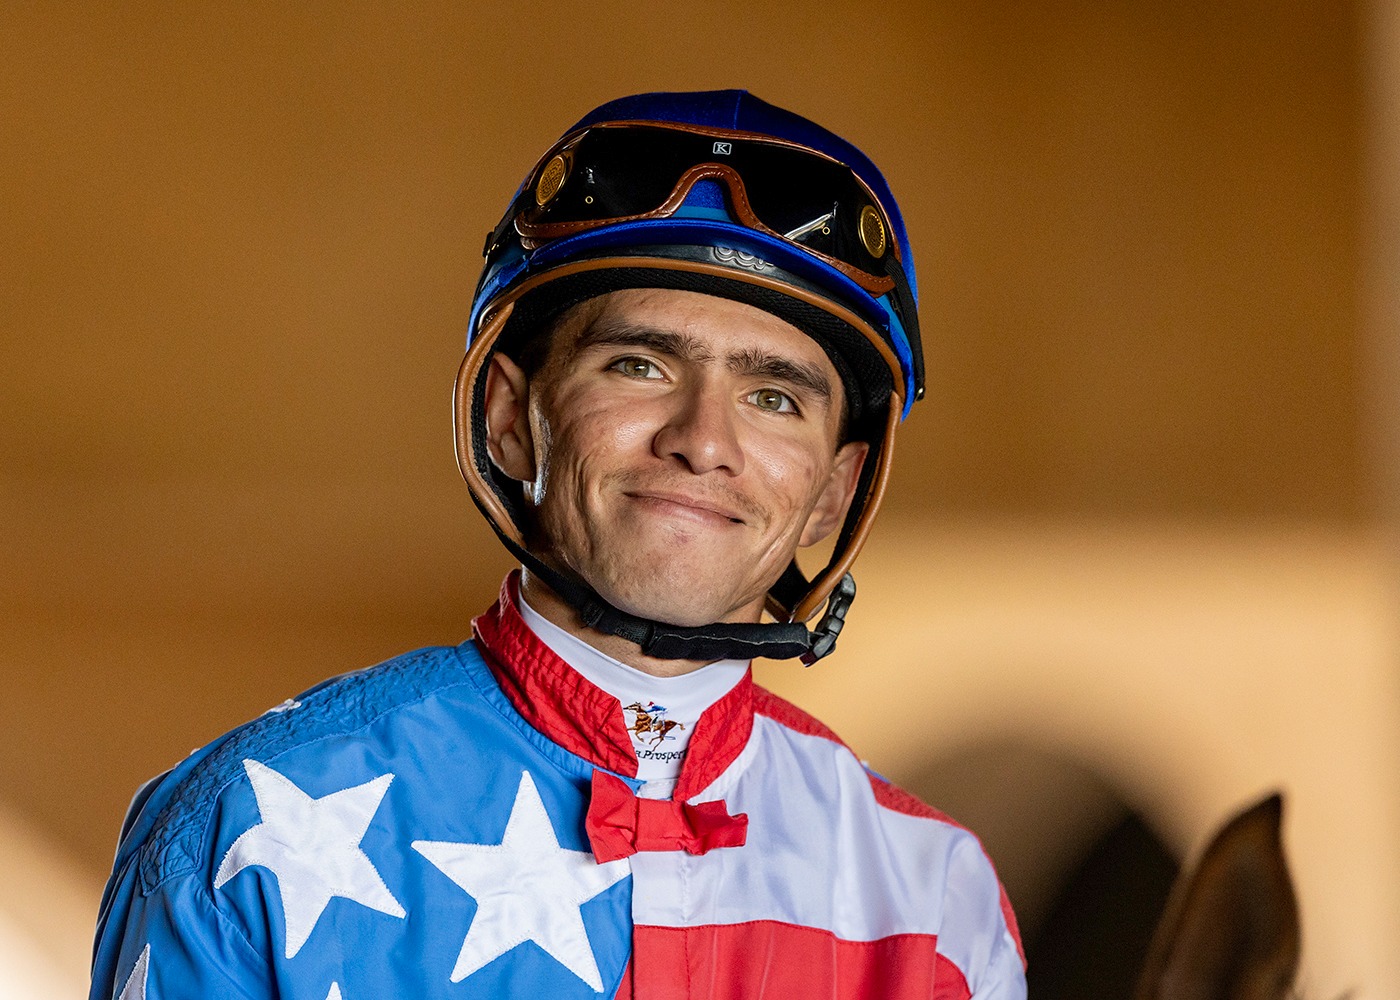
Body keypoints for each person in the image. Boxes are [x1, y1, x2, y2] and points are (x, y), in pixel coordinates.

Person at [89, 90, 1026, 1000]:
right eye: (639, 364)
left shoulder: (936, 901)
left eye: (773, 398)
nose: (703, 440)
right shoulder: (246, 831)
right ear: (507, 420)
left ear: (833, 492)